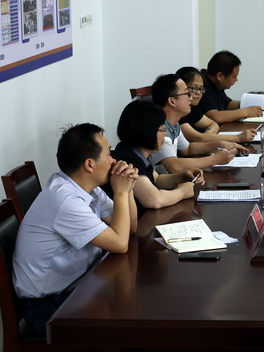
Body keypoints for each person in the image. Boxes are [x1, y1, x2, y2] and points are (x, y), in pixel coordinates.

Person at [12, 123, 139, 336]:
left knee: (133, 295)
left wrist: (128, 188)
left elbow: (131, 227)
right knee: (128, 310)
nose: (114, 160)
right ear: (89, 164)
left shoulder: (88, 188)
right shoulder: (65, 200)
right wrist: (119, 193)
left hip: (78, 283)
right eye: (109, 154)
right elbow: (120, 243)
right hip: (48, 308)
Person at [109, 100, 205, 215]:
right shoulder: (128, 160)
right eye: (162, 130)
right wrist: (183, 192)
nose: (165, 134)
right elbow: (155, 200)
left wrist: (182, 176)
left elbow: (157, 180)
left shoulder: (139, 152)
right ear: (146, 131)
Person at [150, 73, 240, 174]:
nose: (190, 98)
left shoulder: (173, 123)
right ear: (172, 101)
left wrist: (220, 144)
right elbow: (174, 166)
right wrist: (216, 159)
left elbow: (188, 149)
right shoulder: (159, 128)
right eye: (186, 94)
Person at [175, 66, 256, 144]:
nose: (199, 93)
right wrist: (238, 138)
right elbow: (197, 138)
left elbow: (213, 124)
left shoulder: (191, 109)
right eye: (194, 88)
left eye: (201, 89)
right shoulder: (178, 112)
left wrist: (208, 136)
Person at [198, 50, 263, 124]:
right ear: (220, 76)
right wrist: (245, 112)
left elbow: (227, 104)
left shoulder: (215, 83)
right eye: (234, 76)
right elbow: (215, 117)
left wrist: (252, 103)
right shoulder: (202, 86)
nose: (236, 80)